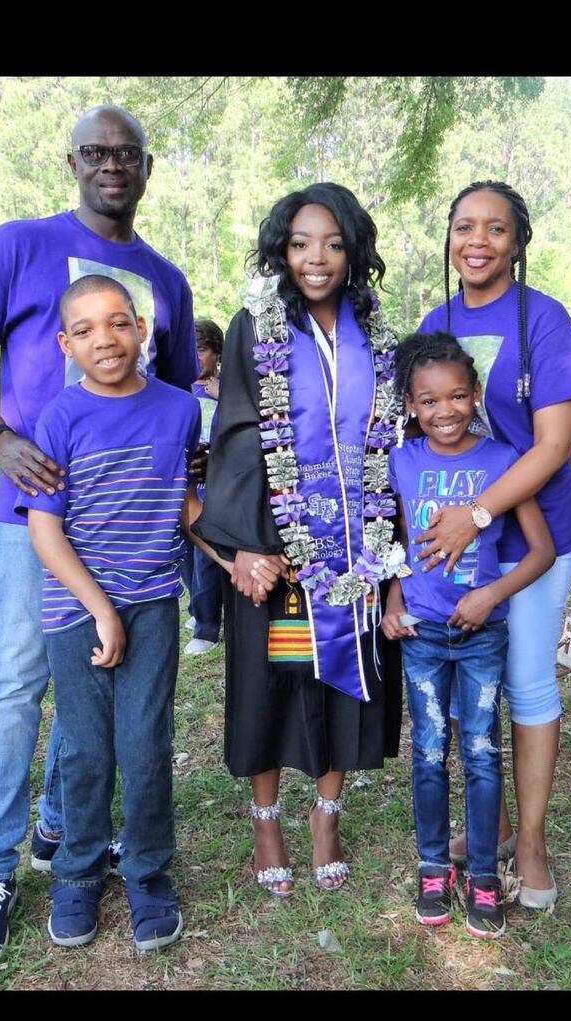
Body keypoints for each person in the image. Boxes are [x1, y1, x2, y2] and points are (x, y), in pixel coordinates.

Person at [0, 105, 199, 969]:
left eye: (130, 154)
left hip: (138, 549)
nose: (114, 166)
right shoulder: (19, 245)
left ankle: (68, 826)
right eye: (98, 153)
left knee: (99, 702)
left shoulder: (166, 280)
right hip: (36, 521)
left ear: (147, 168)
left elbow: (176, 421)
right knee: (16, 684)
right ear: (73, 160)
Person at [193, 183, 405, 896]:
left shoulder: (377, 333)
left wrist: (389, 550)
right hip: (279, 551)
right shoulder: (258, 327)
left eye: (334, 243)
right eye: (301, 242)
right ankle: (265, 819)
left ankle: (326, 817)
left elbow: (390, 441)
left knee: (341, 690)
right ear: (282, 249)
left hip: (355, 548)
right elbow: (239, 431)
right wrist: (248, 544)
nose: (317, 258)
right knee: (272, 682)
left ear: (354, 251)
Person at [15, 275, 201, 950]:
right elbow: (44, 531)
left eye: (119, 322)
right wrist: (100, 610)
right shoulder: (60, 417)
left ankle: (148, 869)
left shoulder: (181, 410)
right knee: (86, 748)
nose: (106, 340)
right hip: (75, 608)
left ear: (142, 329)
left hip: (152, 599)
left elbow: (189, 503)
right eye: (86, 329)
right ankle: (78, 872)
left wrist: (242, 557)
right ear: (66, 343)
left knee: (145, 743)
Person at [416, 181, 571, 908]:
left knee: (527, 682)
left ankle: (535, 839)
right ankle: (498, 823)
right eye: (463, 226)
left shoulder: (545, 320)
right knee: (470, 677)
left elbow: (553, 445)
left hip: (531, 531)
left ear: (518, 239)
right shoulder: (435, 319)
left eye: (494, 228)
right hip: (458, 542)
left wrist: (477, 515)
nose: (476, 240)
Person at [382, 331, 554, 938]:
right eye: (429, 402)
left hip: (483, 635)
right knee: (429, 752)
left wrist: (490, 596)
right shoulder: (401, 462)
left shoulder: (501, 460)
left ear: (475, 394)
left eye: (457, 396)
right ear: (409, 405)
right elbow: (398, 546)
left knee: (481, 753)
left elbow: (541, 550)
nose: (445, 411)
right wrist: (394, 601)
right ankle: (434, 866)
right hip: (423, 636)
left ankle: (483, 873)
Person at [182, 319, 224, 655]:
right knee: (185, 553)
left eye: (202, 349)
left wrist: (223, 396)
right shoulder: (178, 389)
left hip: (217, 482)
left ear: (217, 352)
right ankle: (197, 605)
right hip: (183, 481)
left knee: (206, 552)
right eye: (190, 349)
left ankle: (207, 628)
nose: (196, 357)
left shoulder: (228, 389)